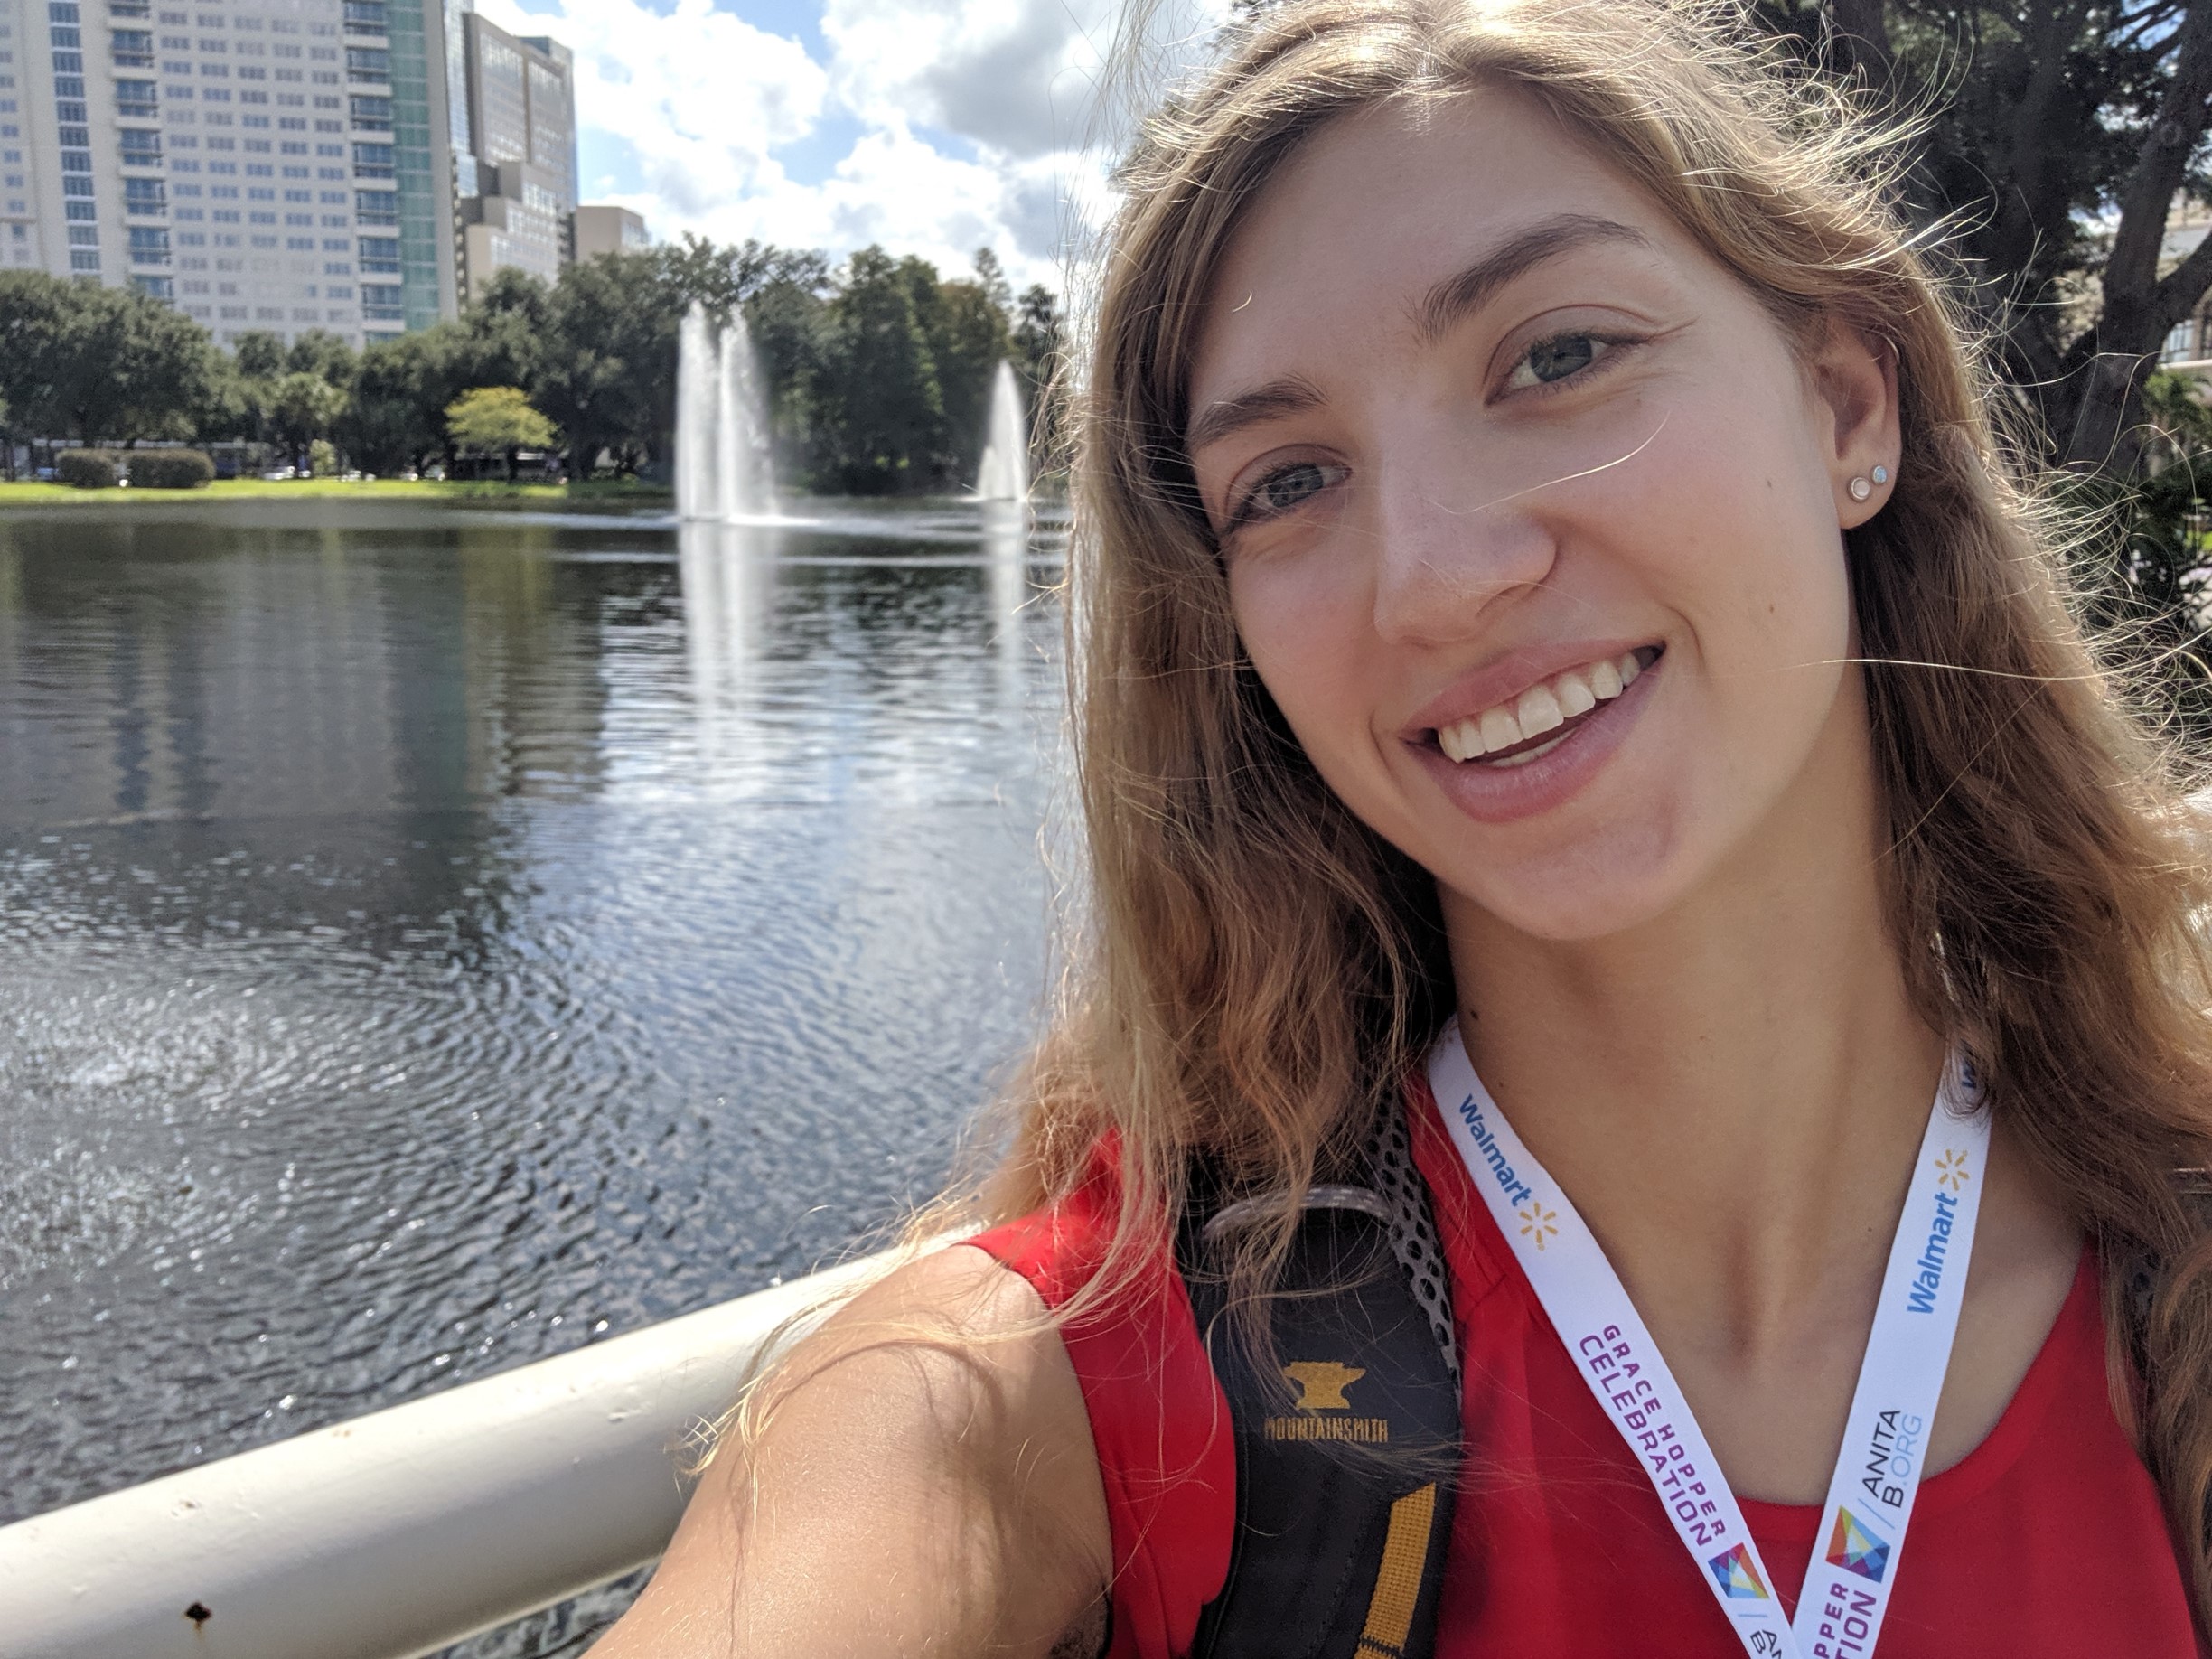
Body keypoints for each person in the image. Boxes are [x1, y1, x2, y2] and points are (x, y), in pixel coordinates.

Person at [588, 0, 2212, 1652]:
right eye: (1287, 482)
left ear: (1847, 404)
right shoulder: (1055, 1388)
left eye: (1558, 357)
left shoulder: (2181, 1275)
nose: (1433, 582)